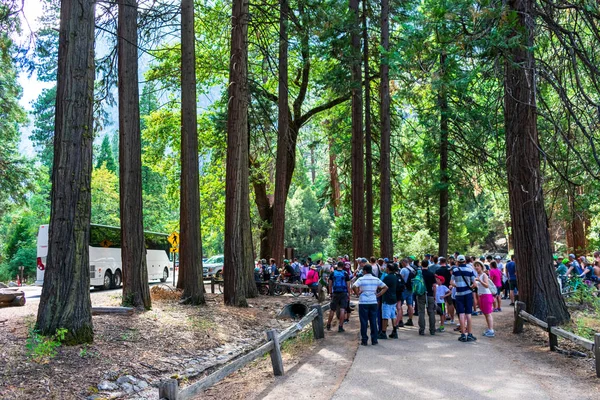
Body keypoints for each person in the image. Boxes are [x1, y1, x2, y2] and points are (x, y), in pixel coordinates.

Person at [353, 264, 388, 346]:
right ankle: (374, 340)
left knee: (364, 321)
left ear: (364, 271)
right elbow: (385, 287)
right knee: (373, 321)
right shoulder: (376, 279)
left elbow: (354, 286)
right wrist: (379, 294)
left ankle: (364, 340)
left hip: (363, 302)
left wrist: (357, 293)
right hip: (373, 301)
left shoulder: (361, 279)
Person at [451, 255, 477, 342]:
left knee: (461, 314)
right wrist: (470, 287)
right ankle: (469, 334)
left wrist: (457, 286)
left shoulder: (454, 270)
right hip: (468, 294)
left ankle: (462, 334)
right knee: (468, 314)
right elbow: (475, 284)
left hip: (459, 294)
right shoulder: (470, 270)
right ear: (465, 261)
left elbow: (451, 282)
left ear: (457, 262)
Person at [327, 261, 351, 332]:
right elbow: (348, 286)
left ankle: (328, 325)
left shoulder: (333, 273)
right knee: (342, 309)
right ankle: (340, 327)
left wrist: (330, 293)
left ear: (337, 266)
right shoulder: (345, 273)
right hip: (343, 293)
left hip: (335, 293)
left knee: (332, 309)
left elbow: (330, 284)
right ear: (343, 266)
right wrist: (348, 294)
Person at [474, 261, 495, 337]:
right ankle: (489, 329)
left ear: (481, 267)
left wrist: (480, 281)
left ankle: (491, 330)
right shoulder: (478, 275)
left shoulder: (484, 275)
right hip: (481, 295)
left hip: (487, 295)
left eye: (478, 265)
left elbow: (486, 285)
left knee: (488, 313)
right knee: (485, 313)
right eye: (475, 266)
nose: (476, 267)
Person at [416, 260, 437, 335]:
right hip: (430, 294)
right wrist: (434, 295)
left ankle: (422, 329)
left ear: (421, 264)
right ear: (428, 264)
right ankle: (432, 329)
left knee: (421, 312)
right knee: (431, 312)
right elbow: (434, 285)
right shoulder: (431, 274)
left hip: (421, 294)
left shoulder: (419, 273)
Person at [379, 263, 399, 339]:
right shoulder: (395, 277)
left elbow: (381, 286)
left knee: (385, 316)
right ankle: (394, 331)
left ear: (388, 269)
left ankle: (383, 332)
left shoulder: (387, 277)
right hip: (394, 298)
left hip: (387, 298)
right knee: (393, 315)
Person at [436, 257, 454, 324]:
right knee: (450, 303)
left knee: (442, 304)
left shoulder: (438, 270)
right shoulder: (449, 269)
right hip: (448, 287)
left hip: (440, 288)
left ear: (440, 262)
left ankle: (444, 318)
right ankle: (452, 318)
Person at [399, 258, 416, 326]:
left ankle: (400, 321)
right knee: (410, 305)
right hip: (411, 289)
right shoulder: (412, 269)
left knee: (400, 305)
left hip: (404, 289)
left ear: (404, 262)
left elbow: (401, 278)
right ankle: (410, 320)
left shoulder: (403, 270)